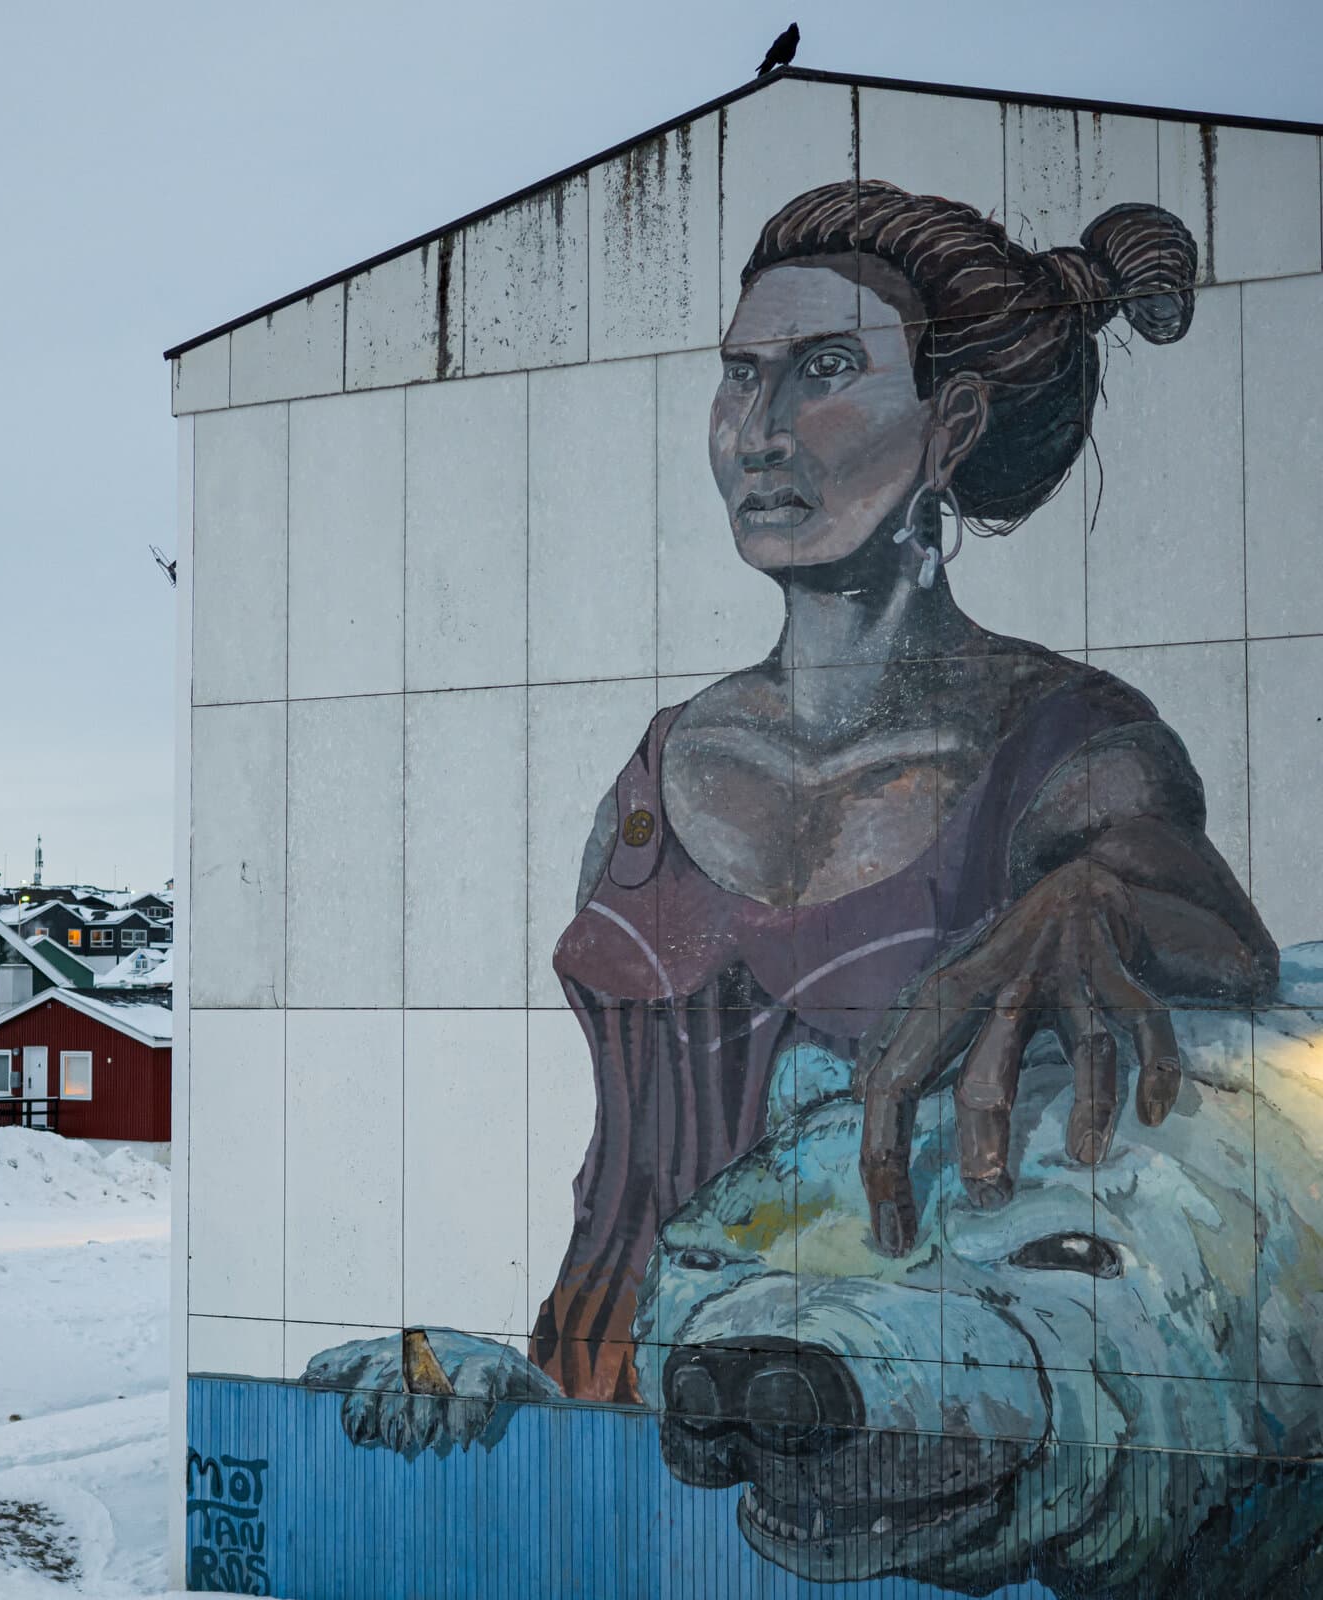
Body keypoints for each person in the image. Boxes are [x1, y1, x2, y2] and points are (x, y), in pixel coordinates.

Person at [532, 181, 1278, 1404]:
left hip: (879, 1420)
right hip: (601, 1404)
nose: (759, 428)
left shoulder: (1064, 746)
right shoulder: (657, 769)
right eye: (739, 374)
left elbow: (1217, 933)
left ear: (953, 422)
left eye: (825, 368)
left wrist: (1096, 898)